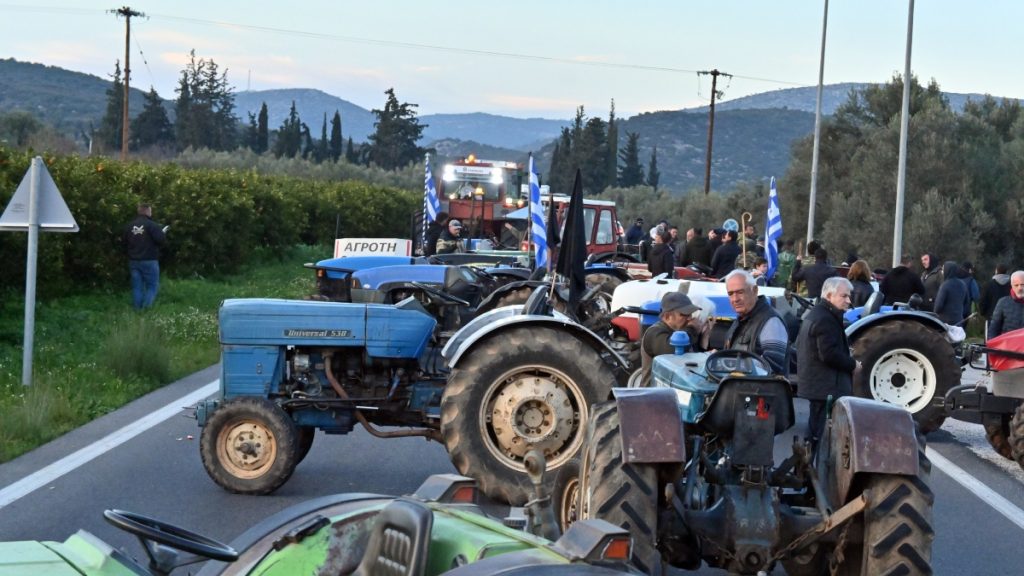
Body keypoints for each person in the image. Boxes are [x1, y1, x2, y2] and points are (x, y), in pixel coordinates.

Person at [796, 277, 860, 450]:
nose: (849, 301)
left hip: (820, 386)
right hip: (825, 388)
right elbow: (829, 354)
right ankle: (807, 473)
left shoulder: (820, 314)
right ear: (830, 295)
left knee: (815, 434)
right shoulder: (825, 318)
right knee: (817, 436)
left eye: (849, 296)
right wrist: (852, 364)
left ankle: (806, 472)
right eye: (844, 296)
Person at [723, 269, 789, 375]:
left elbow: (773, 364)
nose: (735, 299)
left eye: (740, 292)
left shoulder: (771, 321)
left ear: (755, 290)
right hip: (740, 388)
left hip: (762, 390)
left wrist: (729, 363)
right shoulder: (742, 318)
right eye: (730, 294)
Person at [639, 292, 700, 385]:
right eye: (684, 314)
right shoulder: (655, 332)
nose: (689, 319)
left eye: (690, 314)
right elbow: (674, 350)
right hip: (653, 395)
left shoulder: (681, 331)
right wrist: (692, 328)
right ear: (667, 316)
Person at [122, 202, 167, 310]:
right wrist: (162, 233)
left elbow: (123, 243)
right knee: (152, 286)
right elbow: (161, 240)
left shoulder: (129, 226)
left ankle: (137, 309)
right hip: (149, 260)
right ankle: (145, 309)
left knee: (137, 287)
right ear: (147, 211)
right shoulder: (152, 225)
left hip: (133, 261)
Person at [988, 270, 1024, 339]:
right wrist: (991, 347)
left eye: (1023, 285)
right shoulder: (1003, 302)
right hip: (1007, 346)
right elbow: (993, 329)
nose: (1020, 288)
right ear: (1012, 286)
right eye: (1016, 285)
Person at [933, 261, 967, 326]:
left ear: (947, 270)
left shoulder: (945, 285)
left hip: (945, 322)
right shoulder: (963, 284)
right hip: (958, 320)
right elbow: (966, 302)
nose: (942, 272)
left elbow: (938, 306)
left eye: (943, 270)